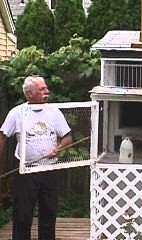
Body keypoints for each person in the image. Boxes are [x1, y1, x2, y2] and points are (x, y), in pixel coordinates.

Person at [0, 75, 73, 240]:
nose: (46, 91)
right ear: (29, 94)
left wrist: (59, 148)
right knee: (22, 215)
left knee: (49, 213)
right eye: (42, 89)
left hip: (49, 170)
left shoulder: (54, 111)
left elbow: (68, 137)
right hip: (26, 171)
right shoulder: (17, 113)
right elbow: (2, 137)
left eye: (46, 88)